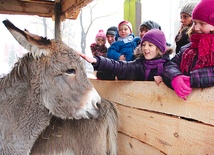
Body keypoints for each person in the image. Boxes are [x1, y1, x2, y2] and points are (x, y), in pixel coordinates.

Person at [162, 0, 214, 100]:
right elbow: (170, 65)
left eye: (202, 23)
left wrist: (191, 79)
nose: (196, 28)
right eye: (194, 22)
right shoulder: (188, 48)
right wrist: (175, 77)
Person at [79, 29, 173, 85]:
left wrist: (164, 78)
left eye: (150, 45)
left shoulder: (169, 65)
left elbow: (175, 75)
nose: (145, 48)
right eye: (143, 45)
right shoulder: (139, 64)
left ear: (159, 48)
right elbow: (120, 66)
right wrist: (98, 61)